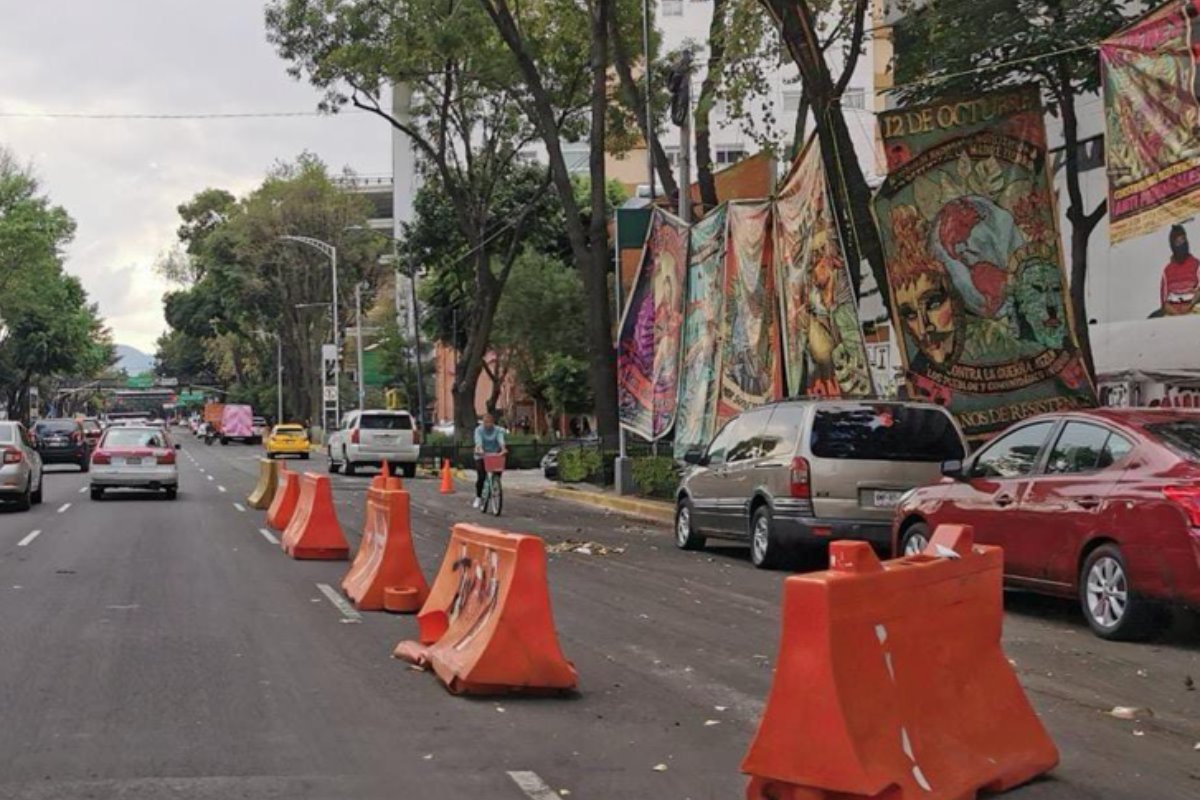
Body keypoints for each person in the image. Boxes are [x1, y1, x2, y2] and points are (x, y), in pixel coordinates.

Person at [473, 413, 508, 509]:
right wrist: (479, 449)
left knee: (497, 473)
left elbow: (501, 440)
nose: (488, 424)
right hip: (481, 455)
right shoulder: (479, 430)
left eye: (490, 422)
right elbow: (478, 441)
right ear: (483, 423)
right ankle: (478, 497)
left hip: (494, 455)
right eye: (485, 422)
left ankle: (495, 490)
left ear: (493, 422)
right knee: (481, 476)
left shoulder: (498, 430)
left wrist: (503, 449)